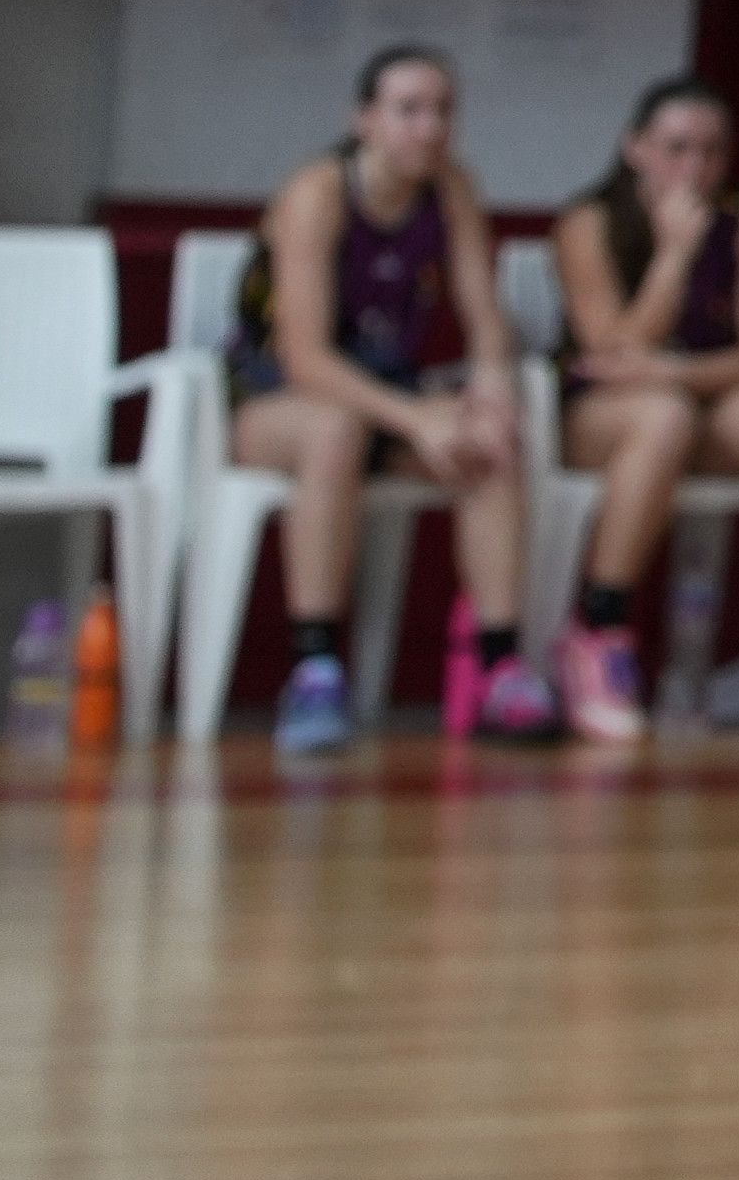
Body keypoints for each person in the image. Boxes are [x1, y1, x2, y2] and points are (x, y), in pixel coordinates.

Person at [228, 44, 551, 753]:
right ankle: (314, 669)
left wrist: (492, 381)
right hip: (275, 404)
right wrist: (417, 417)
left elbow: (484, 315)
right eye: (409, 110)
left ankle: (499, 665)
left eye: (442, 110)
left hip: (384, 400)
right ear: (366, 119)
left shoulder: (452, 188)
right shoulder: (318, 191)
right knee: (335, 430)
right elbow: (304, 358)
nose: (429, 128)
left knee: (489, 440)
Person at [538, 78, 739, 740]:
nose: (695, 168)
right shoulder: (588, 222)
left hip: (698, 396)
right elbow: (613, 348)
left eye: (712, 152)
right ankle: (598, 630)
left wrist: (675, 370)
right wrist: (675, 256)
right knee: (661, 415)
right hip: (606, 417)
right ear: (635, 148)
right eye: (676, 148)